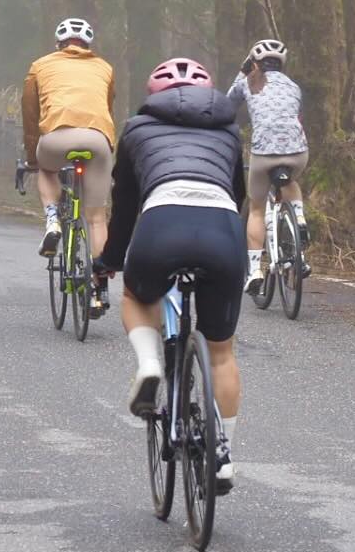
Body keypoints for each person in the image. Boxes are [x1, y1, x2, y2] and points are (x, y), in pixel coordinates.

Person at [97, 57, 245, 492]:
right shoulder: (229, 131)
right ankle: (222, 456)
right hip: (221, 227)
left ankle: (148, 366)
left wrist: (110, 259)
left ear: (153, 97)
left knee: (136, 297)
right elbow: (237, 195)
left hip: (162, 221)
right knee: (221, 353)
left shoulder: (136, 129)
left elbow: (125, 206)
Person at [22, 17, 116, 314]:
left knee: (47, 169)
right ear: (88, 44)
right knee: (97, 217)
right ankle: (99, 289)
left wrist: (32, 157)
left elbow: (30, 113)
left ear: (58, 44)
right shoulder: (105, 67)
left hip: (56, 137)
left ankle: (52, 219)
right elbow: (107, 107)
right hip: (97, 140)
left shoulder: (40, 65)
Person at [226, 38, 308, 296]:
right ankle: (299, 219)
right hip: (297, 152)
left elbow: (227, 105)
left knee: (257, 209)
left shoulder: (248, 83)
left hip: (264, 153)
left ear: (254, 62)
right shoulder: (294, 86)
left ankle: (254, 271)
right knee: (290, 181)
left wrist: (242, 72)